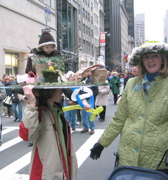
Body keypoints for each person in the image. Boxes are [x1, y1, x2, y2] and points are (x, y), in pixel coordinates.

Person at [90, 42, 168, 171]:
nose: (151, 60)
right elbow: (119, 118)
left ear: (163, 59)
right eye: (146, 57)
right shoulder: (131, 84)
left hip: (158, 156)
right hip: (128, 153)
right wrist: (102, 143)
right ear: (141, 61)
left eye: (155, 56)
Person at [19, 85, 89, 179]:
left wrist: (82, 101)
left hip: (63, 166)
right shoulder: (38, 111)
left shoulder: (56, 109)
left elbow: (70, 90)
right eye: (58, 89)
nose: (61, 92)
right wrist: (31, 104)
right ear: (48, 91)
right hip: (47, 171)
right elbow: (26, 135)